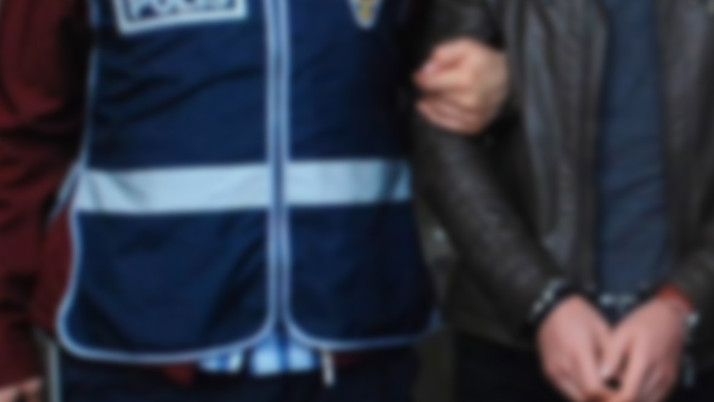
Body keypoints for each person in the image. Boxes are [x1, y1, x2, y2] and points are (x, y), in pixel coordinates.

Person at [0, 0, 500, 401]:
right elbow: (20, 133)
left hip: (355, 347)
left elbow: (445, 60)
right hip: (138, 353)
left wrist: (499, 77)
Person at [414, 0, 714, 401]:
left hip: (694, 343)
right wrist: (541, 301)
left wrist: (683, 301)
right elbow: (439, 130)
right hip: (512, 340)